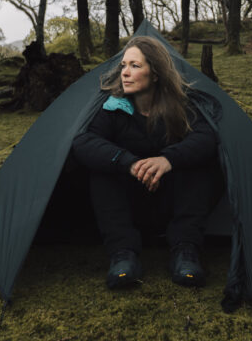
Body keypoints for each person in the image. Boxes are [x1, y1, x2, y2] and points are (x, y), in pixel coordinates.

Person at [72, 36, 221, 289]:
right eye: (123, 66)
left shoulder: (181, 106)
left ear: (155, 74)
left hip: (172, 202)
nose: (125, 73)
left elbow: (207, 138)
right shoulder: (112, 107)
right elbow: (84, 142)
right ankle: (123, 254)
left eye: (135, 66)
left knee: (197, 164)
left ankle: (185, 251)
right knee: (102, 171)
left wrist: (167, 160)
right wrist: (129, 164)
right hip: (129, 206)